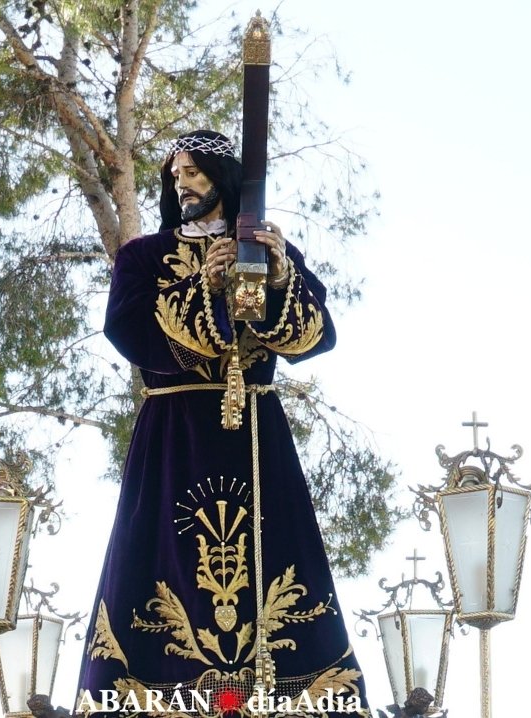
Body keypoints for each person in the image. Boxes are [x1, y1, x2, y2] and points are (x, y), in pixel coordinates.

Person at [75, 130, 367, 716]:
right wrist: (204, 286)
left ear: (224, 177)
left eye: (193, 173)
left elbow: (314, 337)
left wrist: (279, 276)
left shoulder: (267, 249)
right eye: (174, 175)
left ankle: (289, 692)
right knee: (156, 562)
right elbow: (133, 335)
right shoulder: (144, 257)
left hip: (258, 435)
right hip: (173, 439)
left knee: (278, 559)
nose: (181, 184)